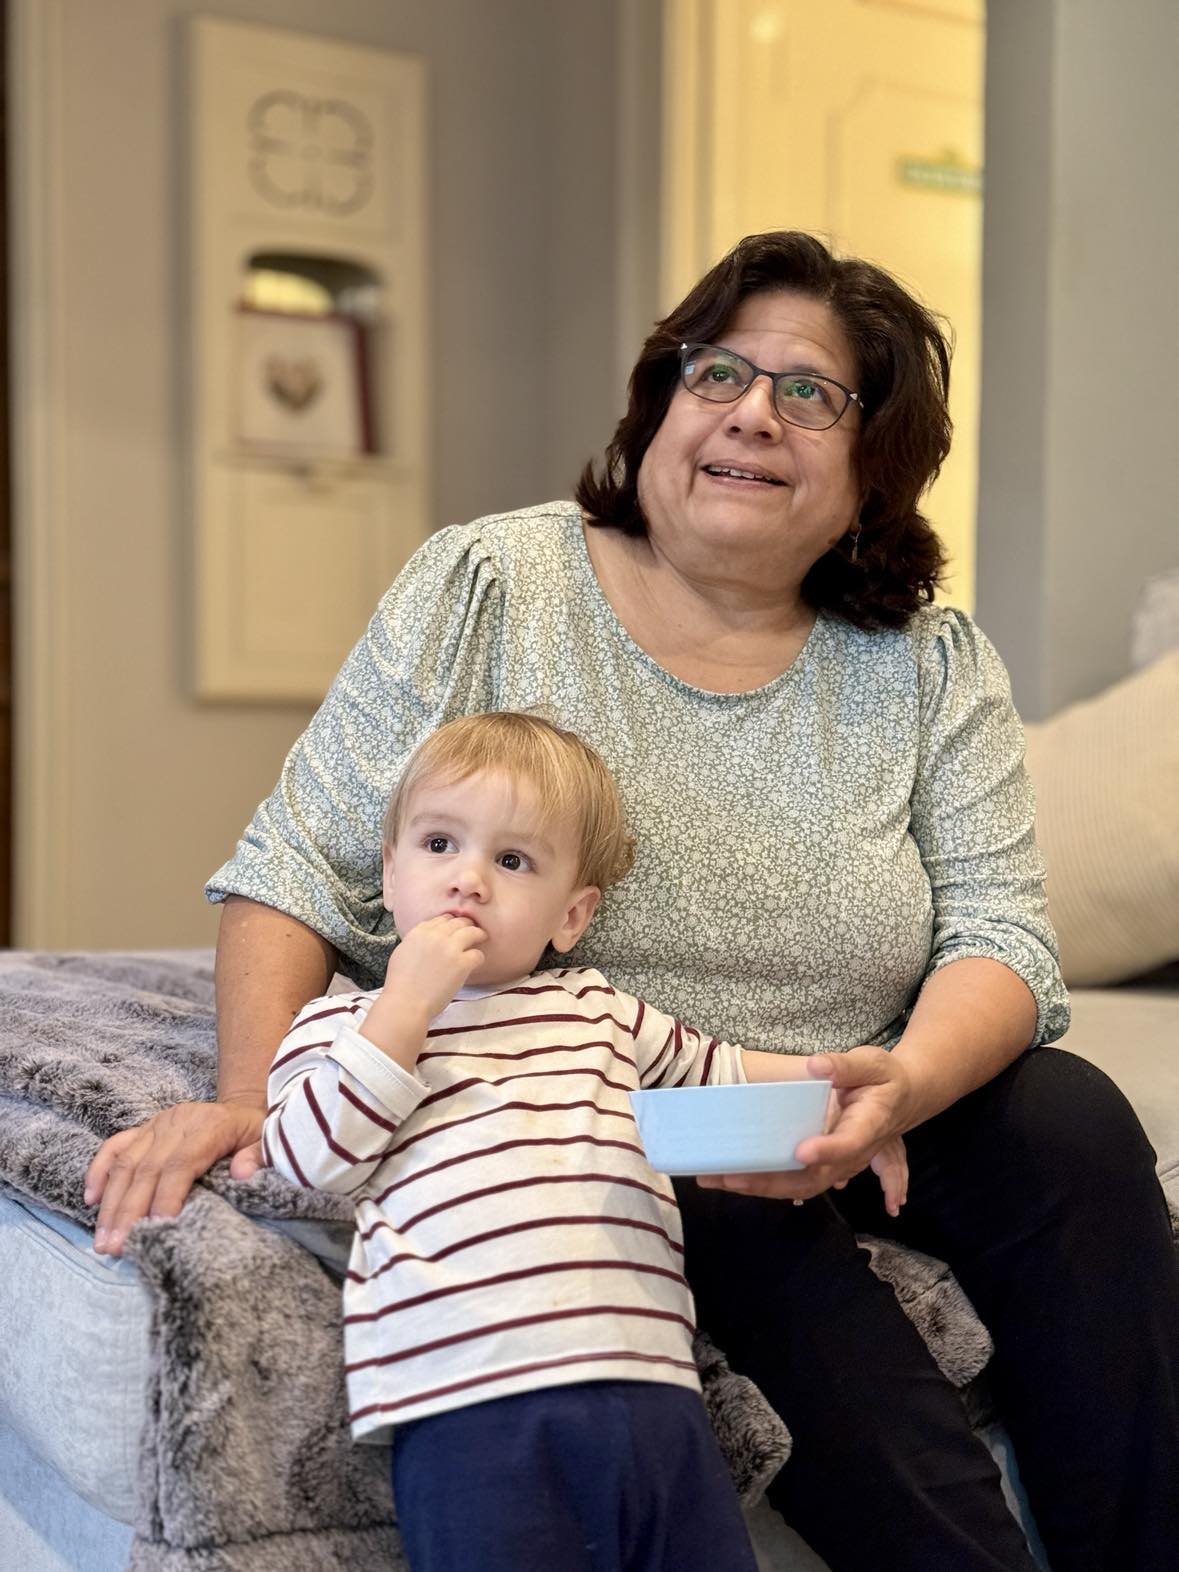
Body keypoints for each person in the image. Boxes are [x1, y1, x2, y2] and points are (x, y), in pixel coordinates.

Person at [86, 230, 1179, 1572]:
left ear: (867, 473)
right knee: (715, 1198)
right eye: (716, 371)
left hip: (847, 1079)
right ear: (659, 403)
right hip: (613, 1100)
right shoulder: (490, 584)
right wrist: (256, 1101)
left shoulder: (925, 663)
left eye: (808, 394)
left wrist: (894, 1083)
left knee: (1068, 1119)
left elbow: (999, 935)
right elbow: (292, 865)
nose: (748, 414)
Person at [264, 710, 907, 1572]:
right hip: (467, 1396)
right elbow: (307, 1161)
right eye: (438, 844)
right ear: (388, 873)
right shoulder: (342, 1025)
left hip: (650, 1388)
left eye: (512, 860)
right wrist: (403, 1010)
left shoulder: (595, 1006)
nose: (468, 881)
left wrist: (841, 1093)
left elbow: (719, 1069)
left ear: (571, 914)